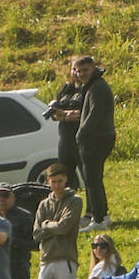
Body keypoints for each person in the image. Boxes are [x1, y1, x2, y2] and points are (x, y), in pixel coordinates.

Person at [14, 164, 83, 279]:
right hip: (46, 259)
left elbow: (65, 227)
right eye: (53, 182)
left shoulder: (74, 201)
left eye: (60, 181)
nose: (57, 185)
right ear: (48, 182)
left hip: (65, 258)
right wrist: (53, 225)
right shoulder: (44, 204)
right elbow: (36, 234)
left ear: (66, 180)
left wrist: (47, 225)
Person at [73, 56, 116, 231]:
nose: (82, 74)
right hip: (97, 138)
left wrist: (81, 133)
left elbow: (95, 114)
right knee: (92, 179)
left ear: (93, 68)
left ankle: (100, 218)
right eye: (78, 70)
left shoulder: (98, 87)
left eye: (85, 70)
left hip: (97, 139)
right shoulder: (93, 85)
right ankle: (100, 216)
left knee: (93, 179)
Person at [46, 59, 85, 190]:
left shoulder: (88, 90)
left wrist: (63, 114)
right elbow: (54, 113)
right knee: (65, 175)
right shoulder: (67, 89)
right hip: (65, 139)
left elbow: (80, 114)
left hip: (81, 138)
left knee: (87, 175)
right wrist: (64, 115)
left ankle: (92, 208)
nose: (76, 73)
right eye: (74, 69)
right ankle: (67, 205)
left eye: (80, 70)